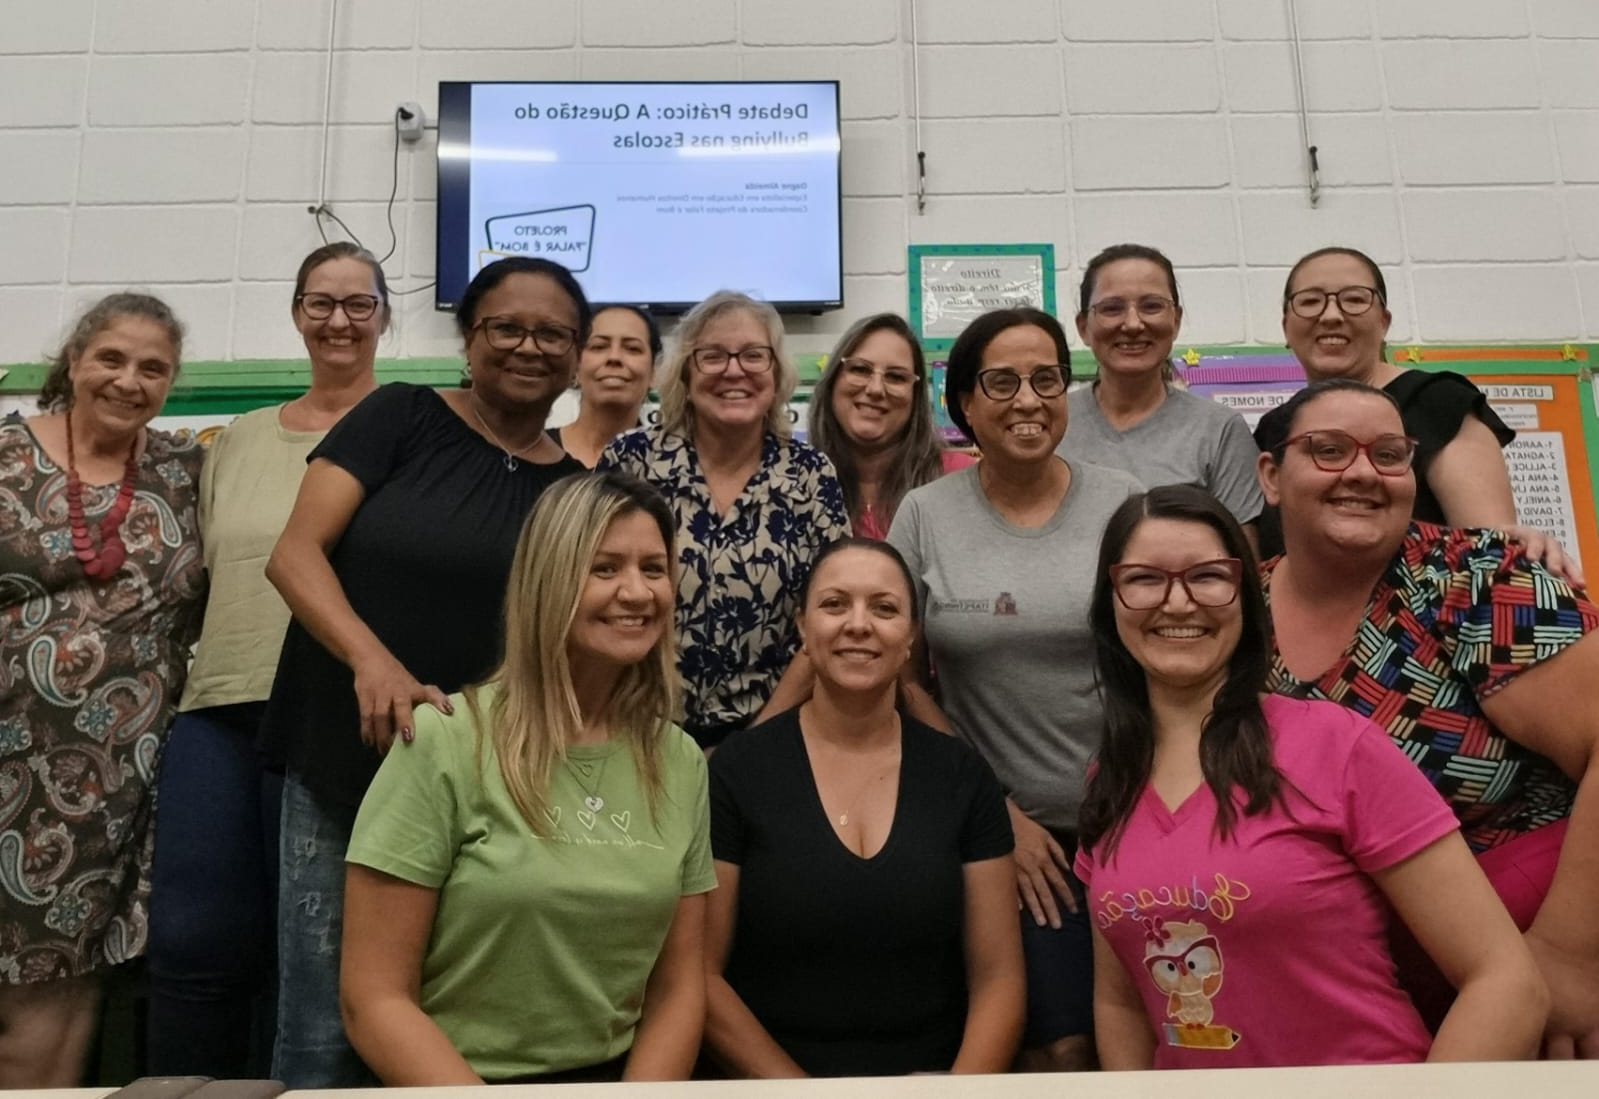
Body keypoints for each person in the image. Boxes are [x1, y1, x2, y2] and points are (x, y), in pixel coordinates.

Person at [1077, 484, 1547, 1068]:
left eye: (1208, 576)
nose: (1177, 603)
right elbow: (1122, 1005)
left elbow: (1505, 981)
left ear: (1246, 598)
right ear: (1110, 601)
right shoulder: (1109, 778)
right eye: (1144, 578)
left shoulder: (1336, 745)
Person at [261, 255, 588, 1087]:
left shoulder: (582, 492)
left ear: (578, 354)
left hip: (485, 794)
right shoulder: (398, 416)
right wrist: (373, 659)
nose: (527, 345)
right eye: (504, 326)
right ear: (468, 338)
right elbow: (295, 556)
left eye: (552, 332)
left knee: (446, 1028)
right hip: (346, 763)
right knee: (322, 1030)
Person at [1257, 378, 1599, 1059]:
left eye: (1388, 453)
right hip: (1342, 994)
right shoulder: (1234, 614)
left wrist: (1569, 952)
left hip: (1535, 969)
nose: (1361, 472)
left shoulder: (1480, 579)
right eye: (1327, 449)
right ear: (1270, 475)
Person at [340, 472, 712, 1084]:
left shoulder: (679, 760)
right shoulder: (446, 742)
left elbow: (677, 990)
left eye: (653, 568)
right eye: (605, 568)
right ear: (549, 581)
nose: (637, 592)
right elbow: (372, 1000)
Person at [144, 243, 390, 1080]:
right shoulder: (235, 441)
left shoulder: (411, 426)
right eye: (321, 302)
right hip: (218, 707)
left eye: (359, 304)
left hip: (338, 714)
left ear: (384, 318)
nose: (339, 321)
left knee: (314, 956)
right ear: (295, 313)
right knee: (193, 942)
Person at [884, 307, 1141, 1072]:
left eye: (1046, 379)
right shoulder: (925, 512)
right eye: (1000, 381)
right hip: (999, 830)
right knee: (1055, 1045)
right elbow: (896, 674)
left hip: (1127, 814)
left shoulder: (1120, 499)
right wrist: (995, 812)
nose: (1027, 399)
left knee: (1159, 1025)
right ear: (961, 401)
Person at [704, 538, 1023, 1077]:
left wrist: (955, 1096)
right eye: (834, 605)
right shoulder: (736, 773)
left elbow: (1000, 979)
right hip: (772, 1086)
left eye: (884, 607)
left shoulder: (963, 776)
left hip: (932, 1085)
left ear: (910, 637)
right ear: (802, 627)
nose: (858, 624)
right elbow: (699, 975)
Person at [0, 293, 206, 1088]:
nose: (130, 380)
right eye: (112, 359)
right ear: (75, 360)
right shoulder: (9, 452)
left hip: (102, 784)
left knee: (58, 988)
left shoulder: (185, 469)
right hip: (9, 751)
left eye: (153, 368)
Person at [598, 291, 850, 749]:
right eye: (712, 356)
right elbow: (589, 594)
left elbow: (831, 619)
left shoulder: (811, 475)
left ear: (776, 373)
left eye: (754, 355)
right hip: (635, 732)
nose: (735, 370)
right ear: (686, 372)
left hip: (779, 736)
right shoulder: (629, 461)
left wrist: (752, 747)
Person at [1252, 246, 1516, 556]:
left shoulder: (1438, 401)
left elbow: (1492, 548)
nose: (1332, 316)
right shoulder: (1274, 429)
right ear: (1286, 327)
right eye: (1310, 301)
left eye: (1354, 300)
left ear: (1384, 321)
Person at [1060, 244, 1262, 544]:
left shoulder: (1219, 430)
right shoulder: (1052, 422)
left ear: (1176, 320)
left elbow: (1240, 564)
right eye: (1112, 308)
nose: (1132, 324)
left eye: (1151, 306)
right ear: (1083, 327)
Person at [806, 312, 975, 539]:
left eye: (896, 377)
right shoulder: (794, 483)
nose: (875, 389)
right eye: (860, 369)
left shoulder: (959, 479)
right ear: (832, 381)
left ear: (915, 397)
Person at [550, 304, 660, 468]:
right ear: (576, 366)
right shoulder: (533, 452)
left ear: (653, 371)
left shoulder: (672, 466)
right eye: (599, 347)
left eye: (632, 348)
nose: (614, 357)